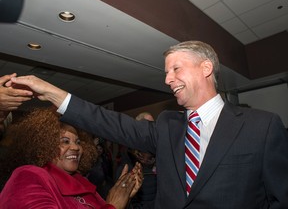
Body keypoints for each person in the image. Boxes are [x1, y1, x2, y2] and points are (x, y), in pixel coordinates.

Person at [8, 40, 288, 208]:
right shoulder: (168, 126)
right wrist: (51, 92)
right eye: (166, 72)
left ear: (206, 68)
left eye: (175, 69)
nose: (167, 79)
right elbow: (108, 122)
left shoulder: (262, 126)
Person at [0, 107, 143, 209]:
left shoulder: (82, 183)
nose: (76, 147)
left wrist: (124, 196)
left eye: (78, 142)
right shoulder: (27, 177)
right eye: (65, 141)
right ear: (43, 145)